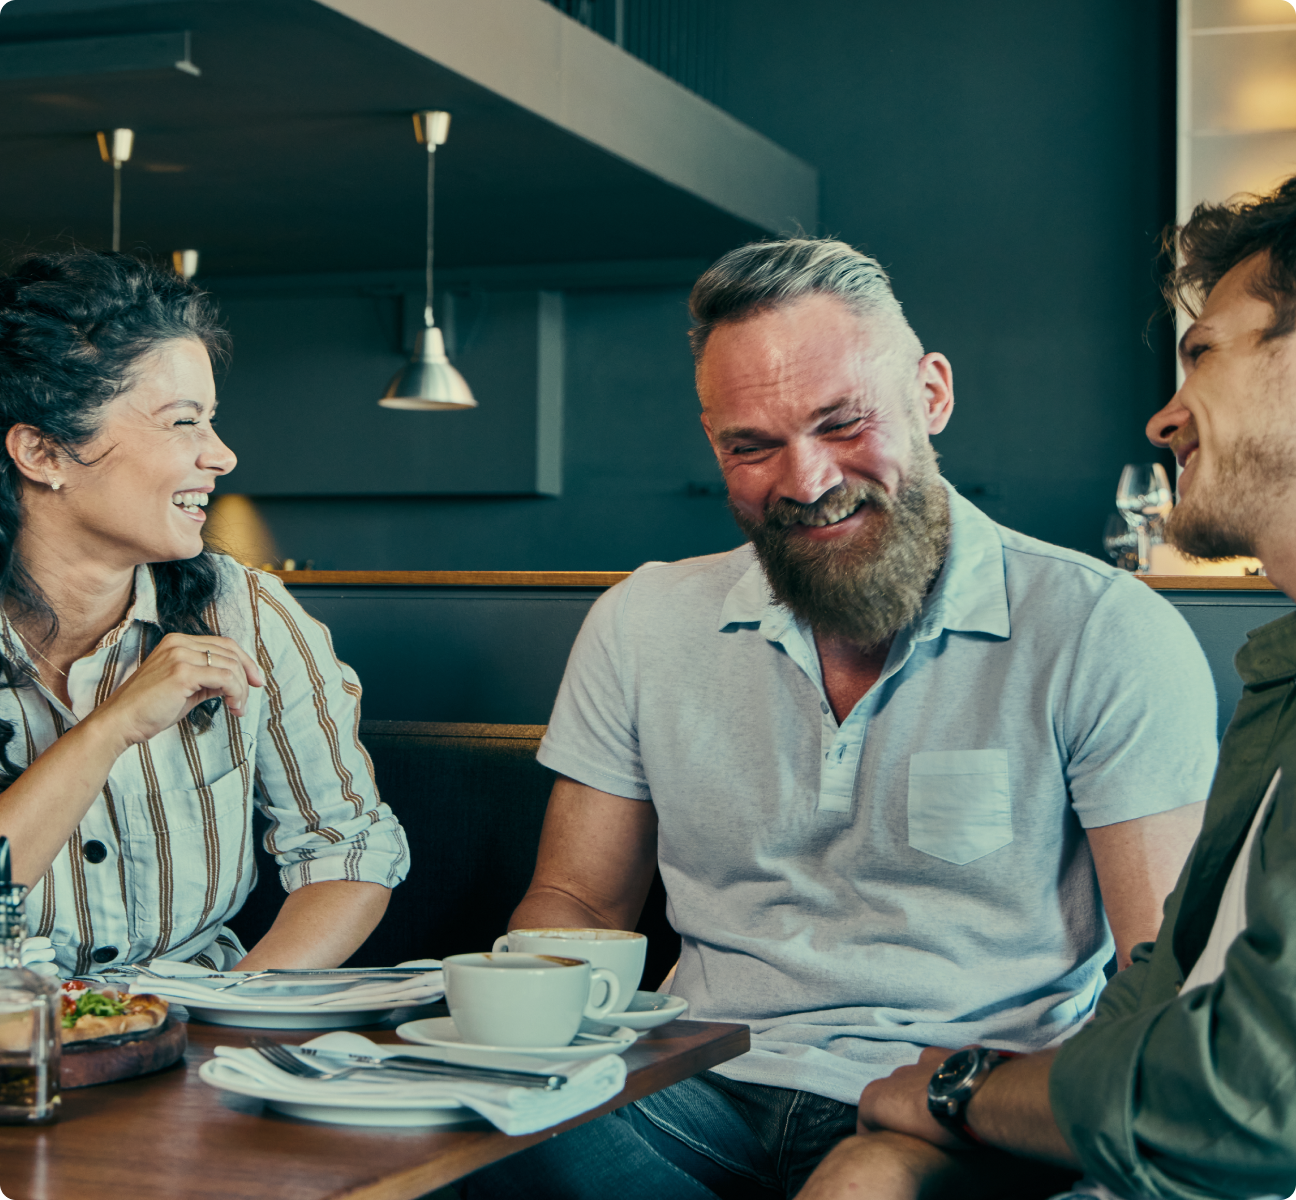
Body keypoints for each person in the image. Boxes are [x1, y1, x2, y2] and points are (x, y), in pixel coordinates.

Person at [458, 237, 1217, 1200]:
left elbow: (1164, 983)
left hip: (958, 1109)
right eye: (753, 445)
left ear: (931, 395)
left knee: (862, 1187)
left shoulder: (1103, 630)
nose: (807, 480)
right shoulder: (641, 622)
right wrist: (510, 1043)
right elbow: (578, 901)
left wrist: (980, 1108)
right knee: (462, 1148)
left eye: (843, 423)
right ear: (714, 444)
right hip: (692, 1085)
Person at [805, 179, 1296, 1200]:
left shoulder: (1104, 630)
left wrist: (957, 1089)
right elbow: (1159, 989)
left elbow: (1243, 1101)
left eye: (1203, 353)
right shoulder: (1281, 682)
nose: (1165, 417)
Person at [0, 250, 408, 979]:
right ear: (42, 450)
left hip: (195, 1038)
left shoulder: (245, 611)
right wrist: (112, 725)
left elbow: (347, 849)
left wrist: (233, 1015)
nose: (221, 455)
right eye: (183, 422)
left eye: (211, 421)